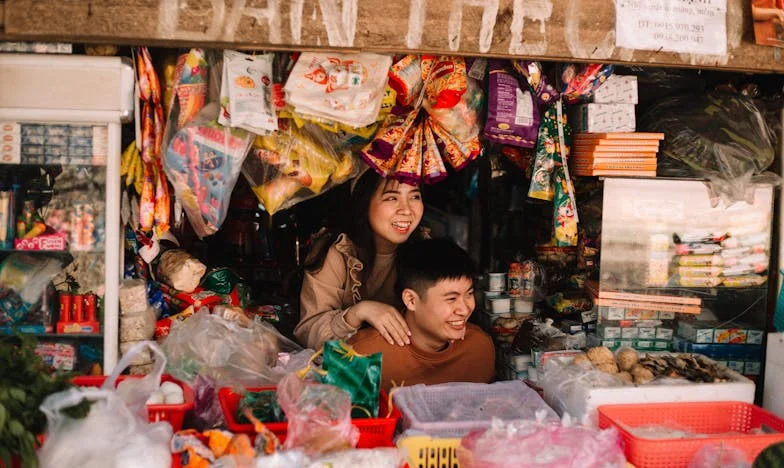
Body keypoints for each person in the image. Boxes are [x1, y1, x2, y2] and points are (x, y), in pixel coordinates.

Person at [294, 168, 425, 350]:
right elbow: (309, 332)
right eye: (392, 198)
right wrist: (360, 312)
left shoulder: (425, 249)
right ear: (364, 203)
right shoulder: (338, 250)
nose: (407, 210)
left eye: (415, 196)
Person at [349, 238, 495, 392]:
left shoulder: (479, 348)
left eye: (469, 294)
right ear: (411, 300)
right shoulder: (361, 354)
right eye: (451, 299)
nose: (465, 310)